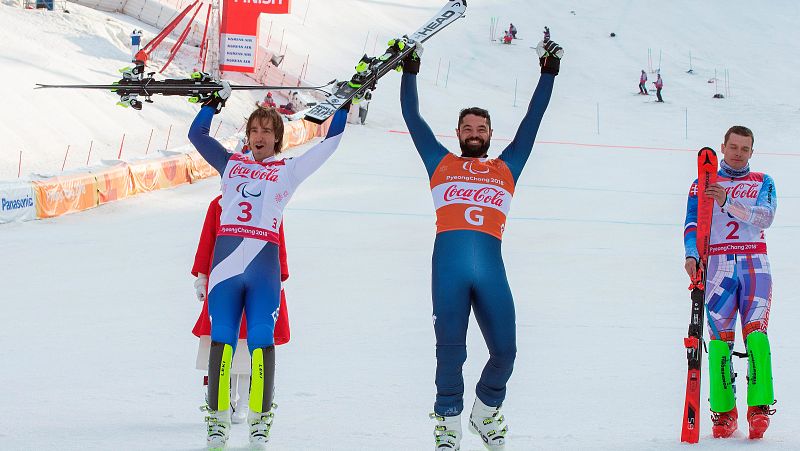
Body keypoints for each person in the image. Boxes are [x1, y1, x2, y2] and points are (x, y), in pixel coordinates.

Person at [396, 35, 563, 450]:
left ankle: (485, 412)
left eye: (480, 128)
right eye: (467, 128)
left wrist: (548, 73)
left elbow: (532, 121)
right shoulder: (440, 162)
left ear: (490, 133)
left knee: (505, 351)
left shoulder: (508, 166)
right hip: (448, 269)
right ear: (457, 133)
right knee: (449, 353)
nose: (474, 133)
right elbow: (413, 118)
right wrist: (410, 71)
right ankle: (449, 425)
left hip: (491, 269)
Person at [187, 75, 348, 449]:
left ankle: (260, 421)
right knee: (222, 339)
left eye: (267, 130)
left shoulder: (288, 170)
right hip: (226, 268)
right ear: (248, 135)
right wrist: (213, 103)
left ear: (277, 137)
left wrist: (344, 102)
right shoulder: (230, 165)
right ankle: (216, 420)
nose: (259, 135)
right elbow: (198, 136)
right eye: (254, 129)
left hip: (263, 267)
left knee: (261, 338)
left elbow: (332, 142)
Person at [683, 126, 777, 440]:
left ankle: (759, 407)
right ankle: (724, 412)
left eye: (744, 149)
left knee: (757, 337)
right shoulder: (703, 181)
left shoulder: (763, 181)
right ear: (723, 147)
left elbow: (765, 217)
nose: (738, 153)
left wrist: (727, 202)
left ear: (752, 151)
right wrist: (691, 255)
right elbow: (692, 222)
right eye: (733, 147)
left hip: (754, 264)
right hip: (718, 265)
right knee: (720, 342)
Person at [192, 194, 292, 425]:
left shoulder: (270, 204)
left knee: (251, 345)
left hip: (259, 282)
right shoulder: (219, 204)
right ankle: (222, 398)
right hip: (224, 280)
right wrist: (202, 278)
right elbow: (208, 241)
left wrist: (279, 276)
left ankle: (247, 400)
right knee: (222, 342)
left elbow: (278, 240)